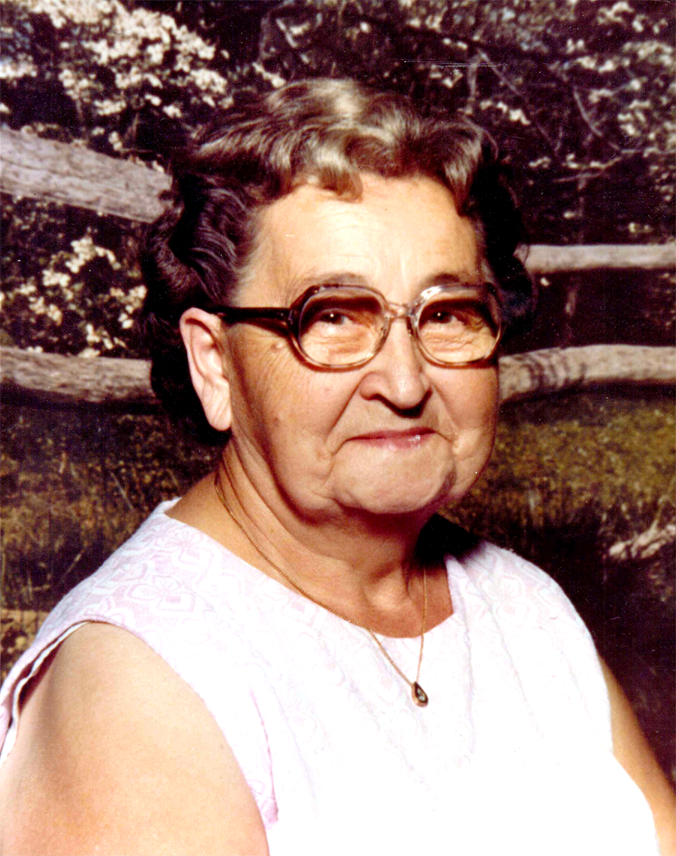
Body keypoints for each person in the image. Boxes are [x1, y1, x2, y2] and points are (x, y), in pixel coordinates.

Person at [0, 78, 674, 855]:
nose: (406, 383)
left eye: (448, 314)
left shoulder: (525, 608)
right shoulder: (136, 681)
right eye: (332, 318)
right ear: (215, 364)